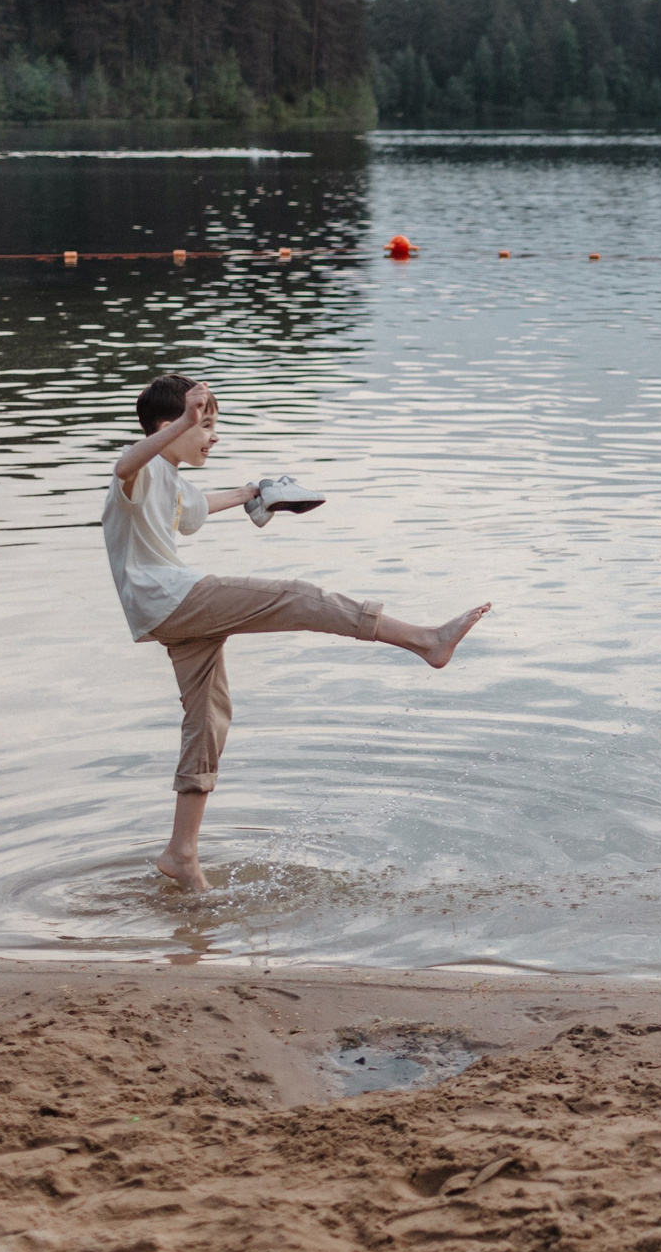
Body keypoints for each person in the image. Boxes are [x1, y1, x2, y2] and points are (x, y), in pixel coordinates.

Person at [104, 373, 490, 893]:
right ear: (169, 426)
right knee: (298, 597)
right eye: (206, 424)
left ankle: (182, 853)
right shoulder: (142, 471)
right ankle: (425, 640)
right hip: (170, 597)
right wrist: (184, 422)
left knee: (209, 719)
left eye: (213, 424)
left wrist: (254, 492)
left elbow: (197, 510)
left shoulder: (174, 480)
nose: (212, 435)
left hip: (165, 611)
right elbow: (126, 464)